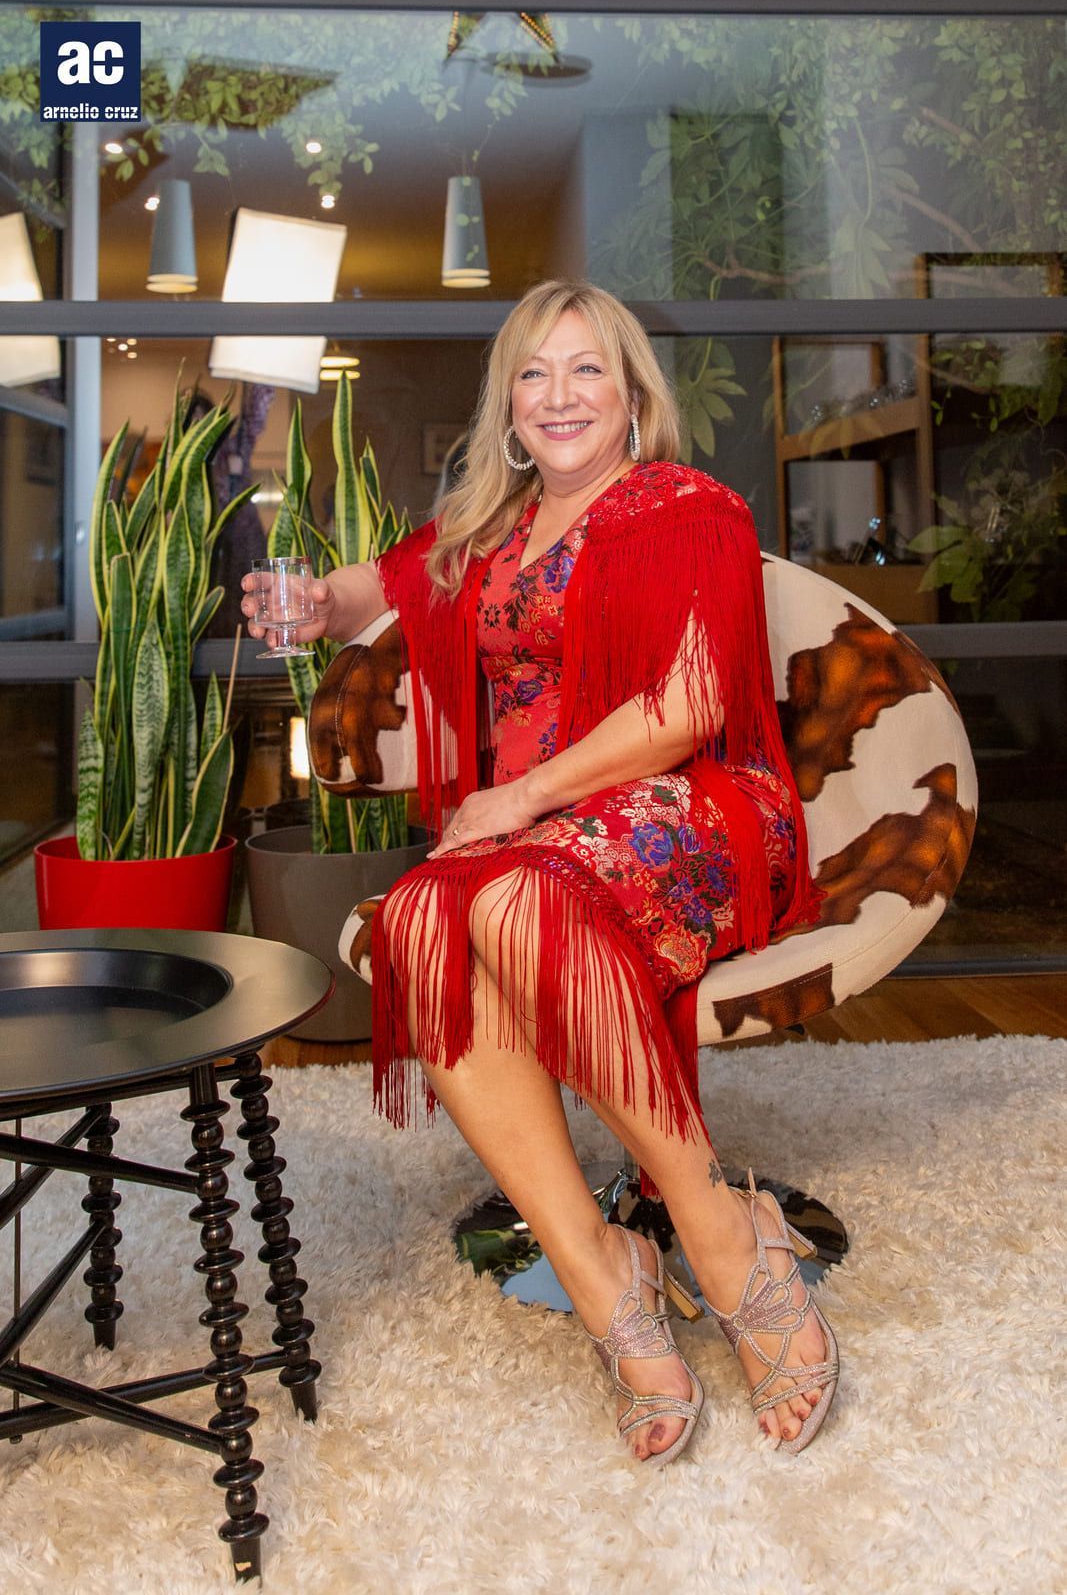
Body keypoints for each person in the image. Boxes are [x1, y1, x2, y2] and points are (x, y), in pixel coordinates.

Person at [242, 279, 839, 1466]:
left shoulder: (691, 509)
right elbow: (385, 584)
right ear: (507, 405)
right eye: (532, 372)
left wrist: (515, 799)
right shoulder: (492, 531)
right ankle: (602, 1268)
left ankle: (721, 1231)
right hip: (542, 836)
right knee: (418, 918)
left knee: (516, 892)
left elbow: (687, 709)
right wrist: (313, 604)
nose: (557, 395)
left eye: (584, 369)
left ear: (630, 394)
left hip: (695, 806)